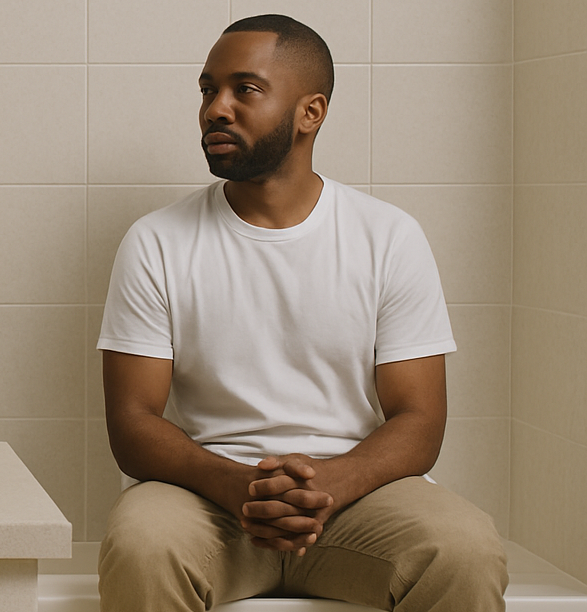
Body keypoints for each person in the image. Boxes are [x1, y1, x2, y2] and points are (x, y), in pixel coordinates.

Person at [96, 14, 507, 612]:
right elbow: (132, 424)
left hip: (355, 499)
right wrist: (239, 487)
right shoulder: (156, 241)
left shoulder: (387, 236)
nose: (216, 108)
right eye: (209, 90)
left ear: (310, 113)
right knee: (141, 545)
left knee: (465, 549)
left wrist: (332, 485)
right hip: (207, 498)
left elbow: (419, 419)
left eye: (246, 89)